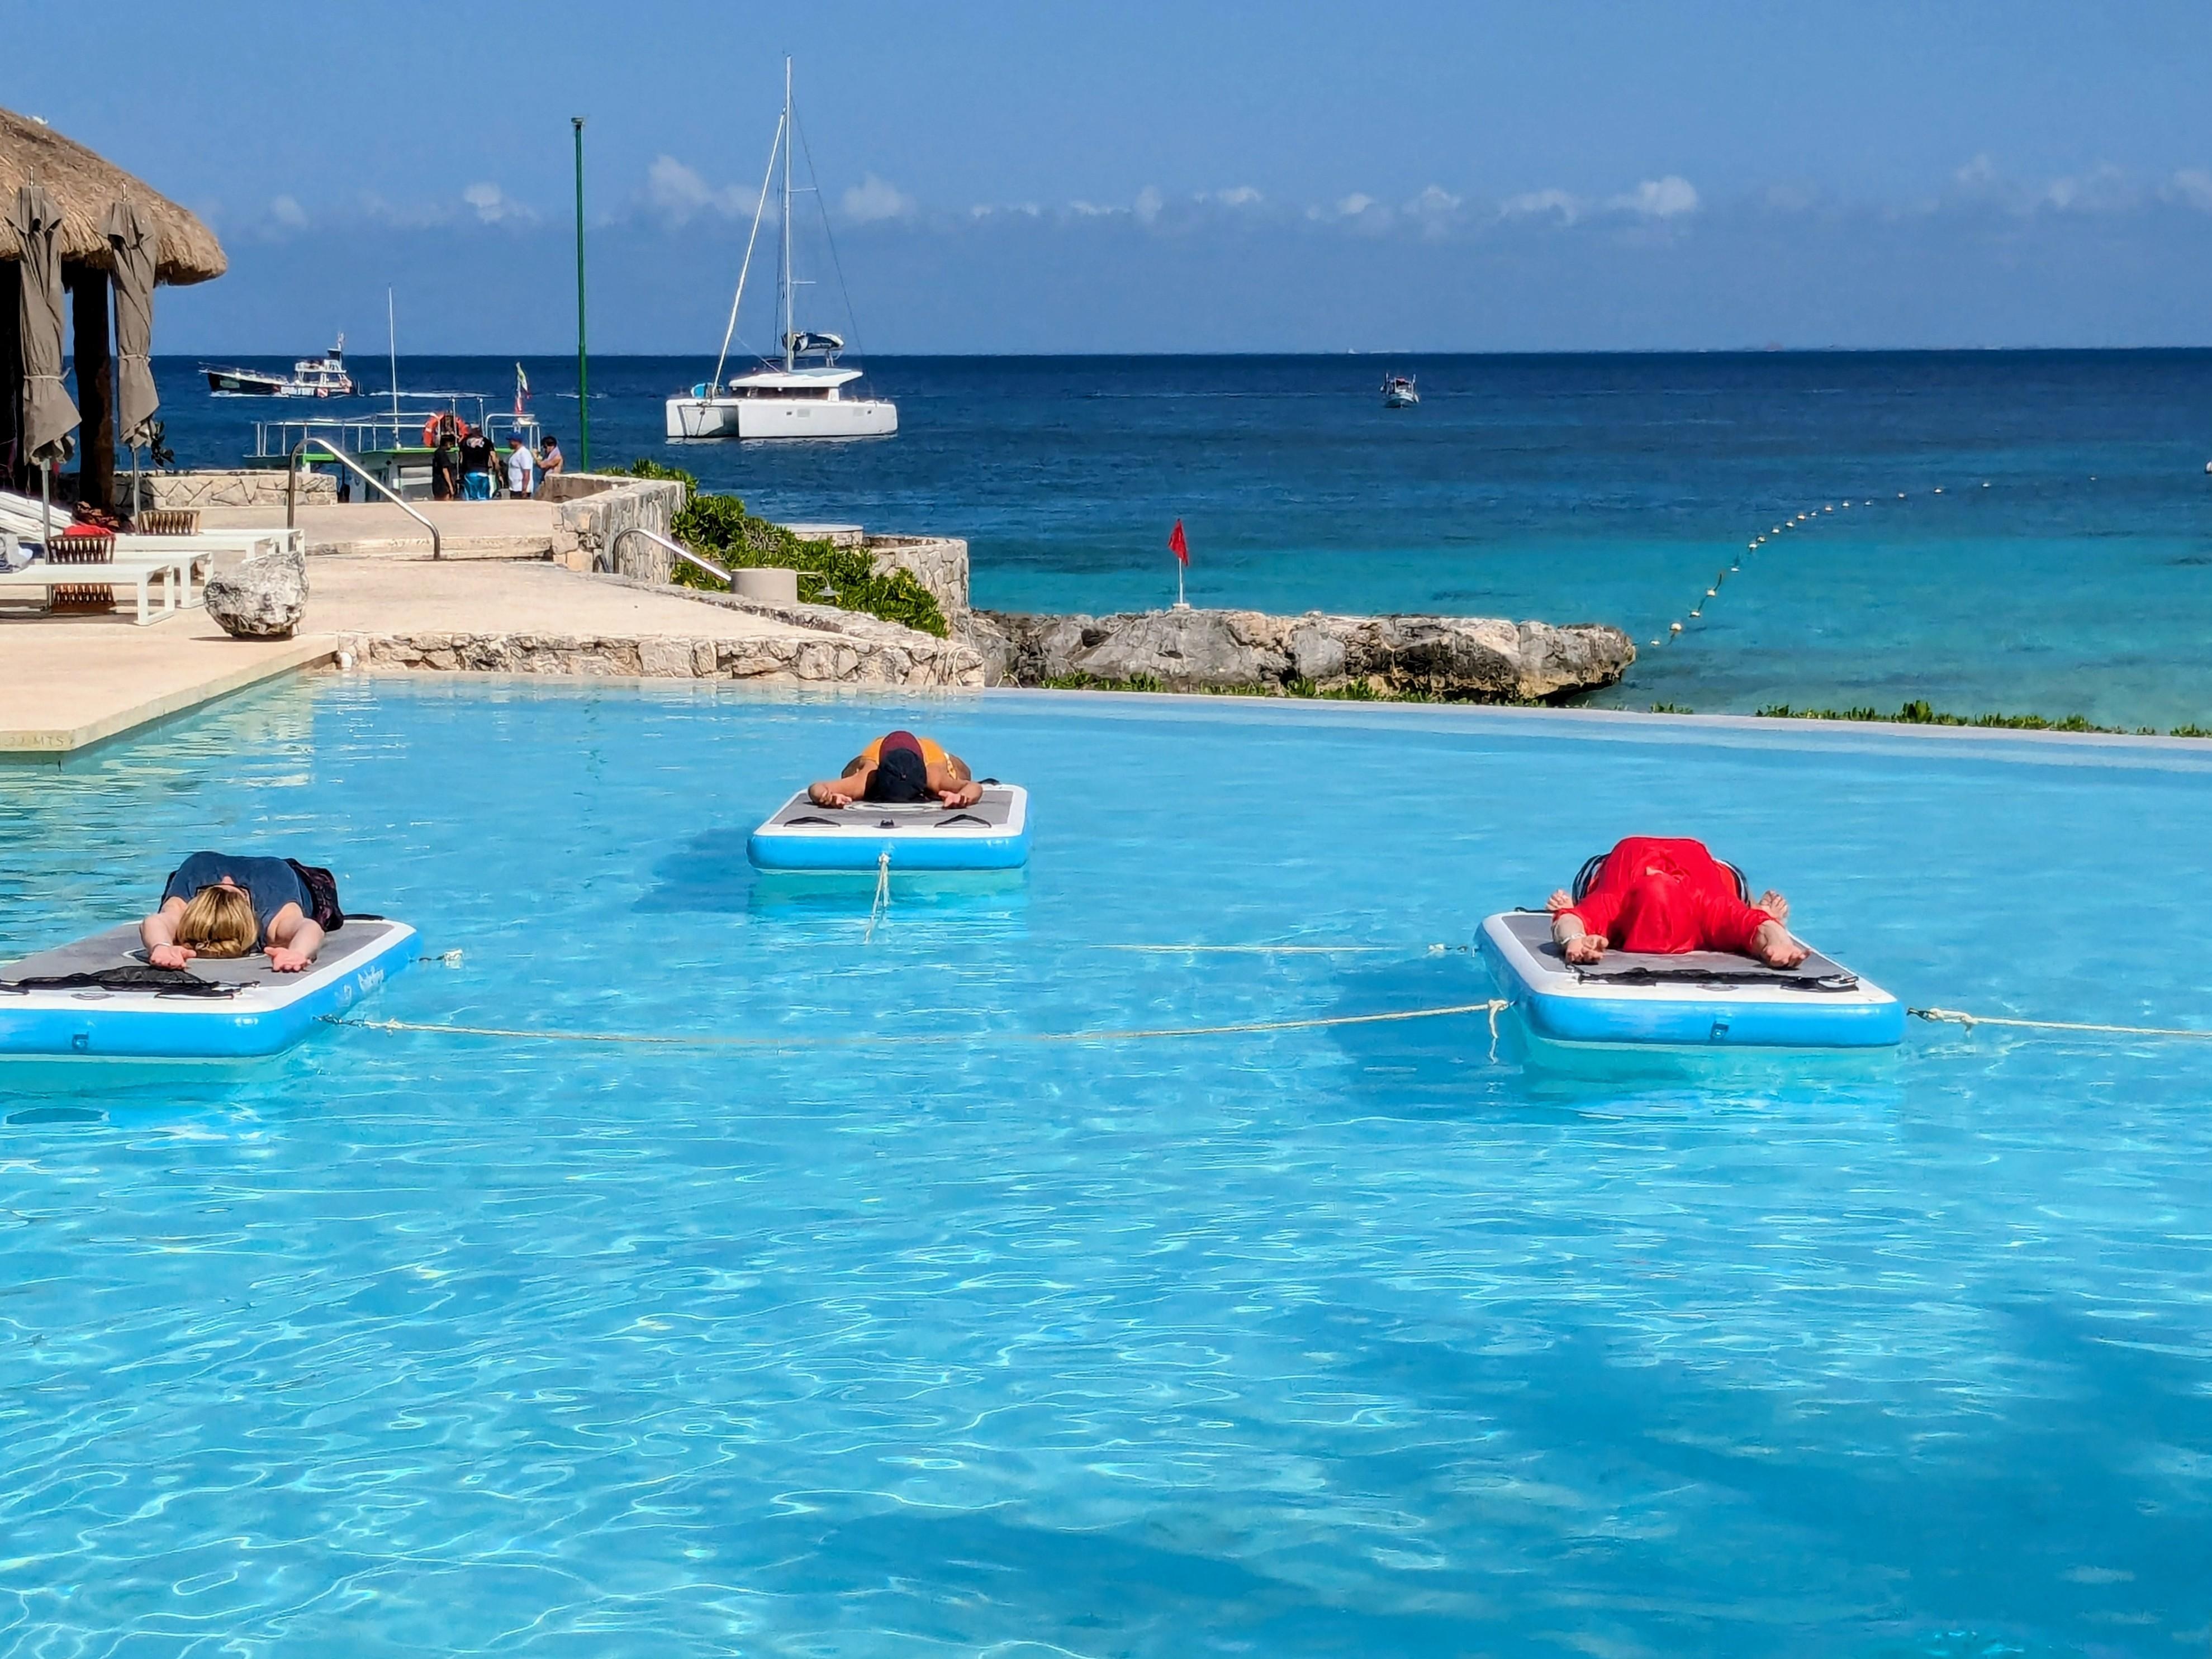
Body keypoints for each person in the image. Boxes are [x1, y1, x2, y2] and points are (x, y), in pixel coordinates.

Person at [1546, 835, 1808, 969]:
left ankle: (1754, 909)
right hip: (1690, 858)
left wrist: (1574, 939)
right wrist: (1777, 940)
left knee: (1738, 906)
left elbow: (1568, 921)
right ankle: (1754, 909)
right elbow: (1762, 928)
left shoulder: (1615, 901)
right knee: (1738, 908)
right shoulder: (1709, 907)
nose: (1653, 872)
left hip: (1638, 855)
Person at [140, 850, 341, 974]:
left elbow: (311, 928)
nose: (227, 881)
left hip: (282, 875)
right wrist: (160, 946)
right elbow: (154, 922)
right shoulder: (187, 898)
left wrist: (298, 953)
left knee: (325, 911)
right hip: (205, 865)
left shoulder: (272, 918)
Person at [809, 730, 982, 809]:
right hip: (877, 751)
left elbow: (974, 787)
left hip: (930, 752)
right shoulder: (869, 776)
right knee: (849, 771)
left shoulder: (934, 774)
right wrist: (826, 797)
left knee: (962, 771)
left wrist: (962, 797)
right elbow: (816, 788)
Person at [458, 425, 497, 500]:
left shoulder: (464, 442)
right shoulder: (487, 442)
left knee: (471, 499)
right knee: (484, 498)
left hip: (470, 473)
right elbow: (493, 458)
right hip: (483, 473)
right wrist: (497, 471)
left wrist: (461, 472)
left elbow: (461, 459)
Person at [430, 430, 461, 501]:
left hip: (437, 484)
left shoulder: (437, 453)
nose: (452, 444)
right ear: (447, 443)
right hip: (443, 485)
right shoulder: (442, 454)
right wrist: (451, 487)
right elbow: (445, 471)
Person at [505, 433, 536, 500]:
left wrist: (524, 490)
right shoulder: (515, 453)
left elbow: (526, 473)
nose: (509, 443)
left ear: (516, 442)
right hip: (514, 488)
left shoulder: (524, 453)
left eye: (511, 441)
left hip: (520, 489)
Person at [535, 433, 563, 497]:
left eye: (545, 447)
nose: (544, 449)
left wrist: (536, 458)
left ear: (551, 446)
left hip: (553, 483)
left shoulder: (557, 457)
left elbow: (543, 465)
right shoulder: (548, 456)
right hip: (546, 481)